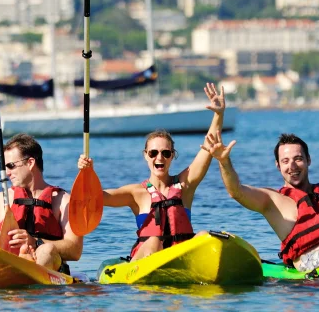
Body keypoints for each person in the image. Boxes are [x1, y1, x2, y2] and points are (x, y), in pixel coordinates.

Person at [77, 83, 226, 260]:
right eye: (153, 153)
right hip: (146, 261)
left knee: (204, 236)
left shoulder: (185, 185)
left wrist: (218, 114)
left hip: (181, 259)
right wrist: (86, 173)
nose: (159, 158)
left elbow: (209, 146)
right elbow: (96, 198)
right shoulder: (135, 193)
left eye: (166, 153)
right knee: (154, 241)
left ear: (172, 156)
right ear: (146, 156)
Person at [204, 131, 319, 272]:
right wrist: (224, 161)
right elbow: (236, 191)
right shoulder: (273, 200)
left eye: (298, 159)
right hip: (308, 263)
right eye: (285, 161)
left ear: (308, 160)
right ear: (278, 166)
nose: (292, 166)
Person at [0, 133, 82, 272]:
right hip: (6, 268)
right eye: (5, 167)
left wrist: (36, 242)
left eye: (11, 165)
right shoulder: (1, 200)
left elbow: (75, 250)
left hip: (47, 269)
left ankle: (34, 283)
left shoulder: (63, 201)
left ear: (30, 163)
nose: (7, 172)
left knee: (46, 250)